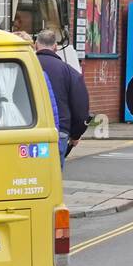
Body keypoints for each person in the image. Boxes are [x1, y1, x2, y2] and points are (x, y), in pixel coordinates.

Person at [34, 29, 89, 169]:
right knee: (53, 174)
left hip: (29, 130)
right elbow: (80, 106)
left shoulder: (25, 66)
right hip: (60, 131)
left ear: (35, 45)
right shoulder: (69, 71)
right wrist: (76, 134)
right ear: (56, 47)